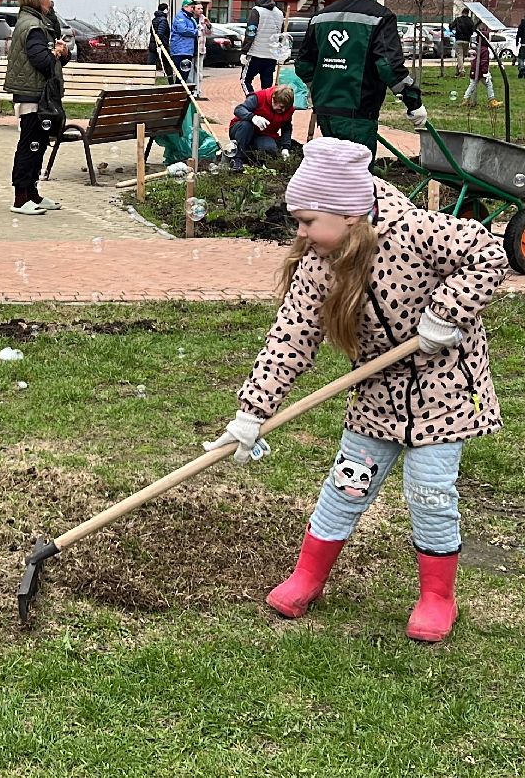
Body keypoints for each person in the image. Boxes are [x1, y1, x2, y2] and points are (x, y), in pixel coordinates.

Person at [204, 137, 509, 642]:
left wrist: (445, 313)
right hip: (377, 392)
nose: (299, 232)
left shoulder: (415, 231)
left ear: (347, 215)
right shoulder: (318, 265)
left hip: (445, 389)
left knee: (431, 494)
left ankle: (437, 597)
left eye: (306, 221)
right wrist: (250, 414)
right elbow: (291, 337)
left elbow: (488, 253)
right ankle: (309, 575)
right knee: (347, 485)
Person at [292, 0, 427, 149]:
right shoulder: (381, 17)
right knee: (357, 176)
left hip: (325, 111)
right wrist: (413, 102)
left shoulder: (320, 17)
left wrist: (325, 86)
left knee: (331, 169)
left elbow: (303, 65)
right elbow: (388, 66)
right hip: (359, 114)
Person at [1, 0, 71, 215]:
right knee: (29, 147)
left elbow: (57, 58)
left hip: (41, 95)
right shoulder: (32, 26)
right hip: (32, 96)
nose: (50, 0)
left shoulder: (40, 23)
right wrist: (55, 52)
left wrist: (63, 52)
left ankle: (33, 193)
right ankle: (20, 198)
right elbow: (42, 61)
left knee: (38, 145)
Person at [227, 84, 299, 169]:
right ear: (274, 99)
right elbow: (239, 109)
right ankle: (237, 159)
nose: (283, 110)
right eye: (281, 107)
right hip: (241, 130)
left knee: (270, 150)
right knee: (246, 125)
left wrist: (285, 147)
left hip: (263, 135)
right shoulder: (259, 97)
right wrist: (252, 117)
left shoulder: (287, 109)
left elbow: (286, 129)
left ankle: (249, 154)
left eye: (285, 108)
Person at [239, 0, 288, 95]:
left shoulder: (256, 10)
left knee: (245, 80)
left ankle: (253, 102)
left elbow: (251, 32)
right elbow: (280, 35)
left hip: (255, 54)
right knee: (267, 87)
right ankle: (266, 107)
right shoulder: (279, 13)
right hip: (271, 56)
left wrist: (244, 52)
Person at [168, 0, 201, 90]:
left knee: (185, 74)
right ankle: (176, 92)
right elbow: (183, 30)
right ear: (185, 7)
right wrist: (196, 32)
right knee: (181, 74)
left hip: (188, 50)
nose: (193, 9)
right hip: (180, 50)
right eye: (191, 7)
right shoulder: (180, 17)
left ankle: (181, 91)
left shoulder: (190, 19)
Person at [460, 31, 499, 108]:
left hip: (474, 70)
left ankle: (465, 99)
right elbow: (484, 62)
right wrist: (485, 72)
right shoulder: (485, 50)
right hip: (481, 71)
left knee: (472, 85)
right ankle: (492, 100)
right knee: (489, 84)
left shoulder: (478, 49)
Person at [150, 4, 172, 70]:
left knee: (151, 63)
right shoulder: (163, 20)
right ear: (165, 10)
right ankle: (170, 79)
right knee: (168, 64)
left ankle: (149, 77)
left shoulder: (154, 19)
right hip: (162, 45)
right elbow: (160, 33)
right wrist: (161, 44)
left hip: (153, 44)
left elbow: (151, 31)